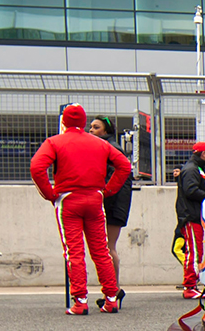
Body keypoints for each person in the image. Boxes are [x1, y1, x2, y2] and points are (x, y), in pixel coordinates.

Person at [30, 102, 132, 316]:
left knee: (74, 252)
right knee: (101, 251)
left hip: (68, 200)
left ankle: (80, 301)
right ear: (84, 122)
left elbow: (37, 167)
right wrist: (108, 190)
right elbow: (124, 166)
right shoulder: (100, 143)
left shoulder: (54, 142)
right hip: (95, 199)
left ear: (64, 121)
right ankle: (111, 298)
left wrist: (50, 194)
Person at [89, 116, 134, 270]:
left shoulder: (111, 148)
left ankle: (113, 283)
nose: (91, 130)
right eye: (91, 127)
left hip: (113, 206)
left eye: (96, 127)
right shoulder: (104, 147)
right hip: (112, 204)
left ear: (106, 131)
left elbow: (115, 180)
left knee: (108, 247)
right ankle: (111, 283)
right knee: (106, 247)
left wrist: (103, 200)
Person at [175, 139, 205, 299]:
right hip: (190, 215)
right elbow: (191, 191)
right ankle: (189, 286)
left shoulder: (195, 168)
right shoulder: (192, 169)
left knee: (196, 250)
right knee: (194, 252)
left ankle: (192, 285)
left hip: (193, 215)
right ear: (203, 153)